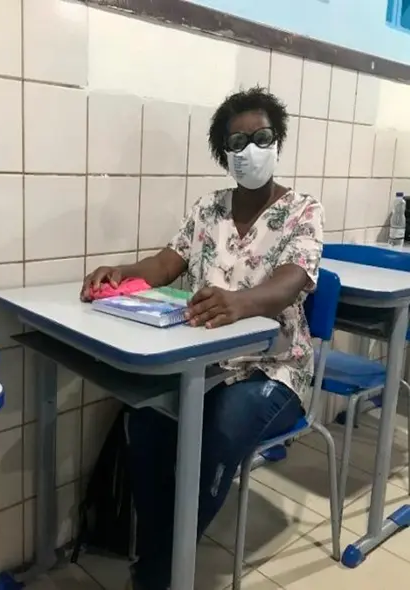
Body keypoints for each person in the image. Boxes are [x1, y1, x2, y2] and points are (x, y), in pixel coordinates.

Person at [80, 87, 323, 590]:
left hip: (273, 366)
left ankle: (157, 573)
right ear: (224, 154)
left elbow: (293, 279)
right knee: (144, 421)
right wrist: (122, 270)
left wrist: (243, 303)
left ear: (278, 141)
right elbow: (166, 262)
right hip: (205, 363)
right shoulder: (209, 207)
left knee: (218, 431)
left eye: (262, 137)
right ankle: (159, 553)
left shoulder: (303, 210)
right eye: (238, 142)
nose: (251, 149)